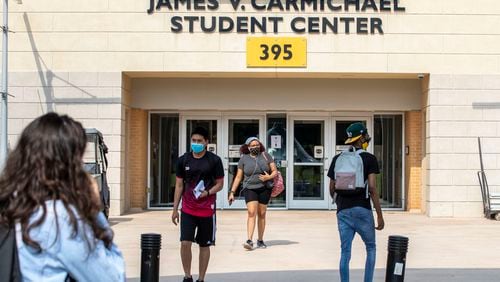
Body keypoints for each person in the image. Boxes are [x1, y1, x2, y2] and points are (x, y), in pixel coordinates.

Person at [0, 112, 125, 281]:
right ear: (65, 165)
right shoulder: (58, 218)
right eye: (78, 160)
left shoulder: (12, 203)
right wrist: (94, 210)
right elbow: (112, 277)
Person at [327, 122, 385, 282]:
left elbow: (331, 187)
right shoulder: (369, 158)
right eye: (366, 135)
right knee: (371, 248)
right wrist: (379, 215)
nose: (368, 138)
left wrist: (339, 204)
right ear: (361, 139)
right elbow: (372, 188)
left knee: (345, 252)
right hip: (363, 209)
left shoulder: (338, 158)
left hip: (343, 211)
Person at [171, 127, 224, 282]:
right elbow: (179, 185)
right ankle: (187, 276)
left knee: (204, 245)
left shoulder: (214, 160)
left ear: (206, 142)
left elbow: (220, 184)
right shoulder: (183, 160)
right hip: (188, 209)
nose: (196, 143)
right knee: (185, 242)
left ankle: (201, 279)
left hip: (207, 211)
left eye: (199, 141)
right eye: (193, 140)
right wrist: (175, 210)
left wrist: (207, 192)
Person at [228, 137, 278, 250]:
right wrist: (232, 192)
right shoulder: (243, 159)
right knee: (251, 213)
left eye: (257, 144)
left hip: (265, 188)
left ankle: (260, 240)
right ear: (248, 147)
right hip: (250, 188)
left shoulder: (266, 155)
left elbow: (275, 171)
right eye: (253, 145)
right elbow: (238, 177)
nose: (255, 147)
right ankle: (249, 240)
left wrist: (268, 177)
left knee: (262, 214)